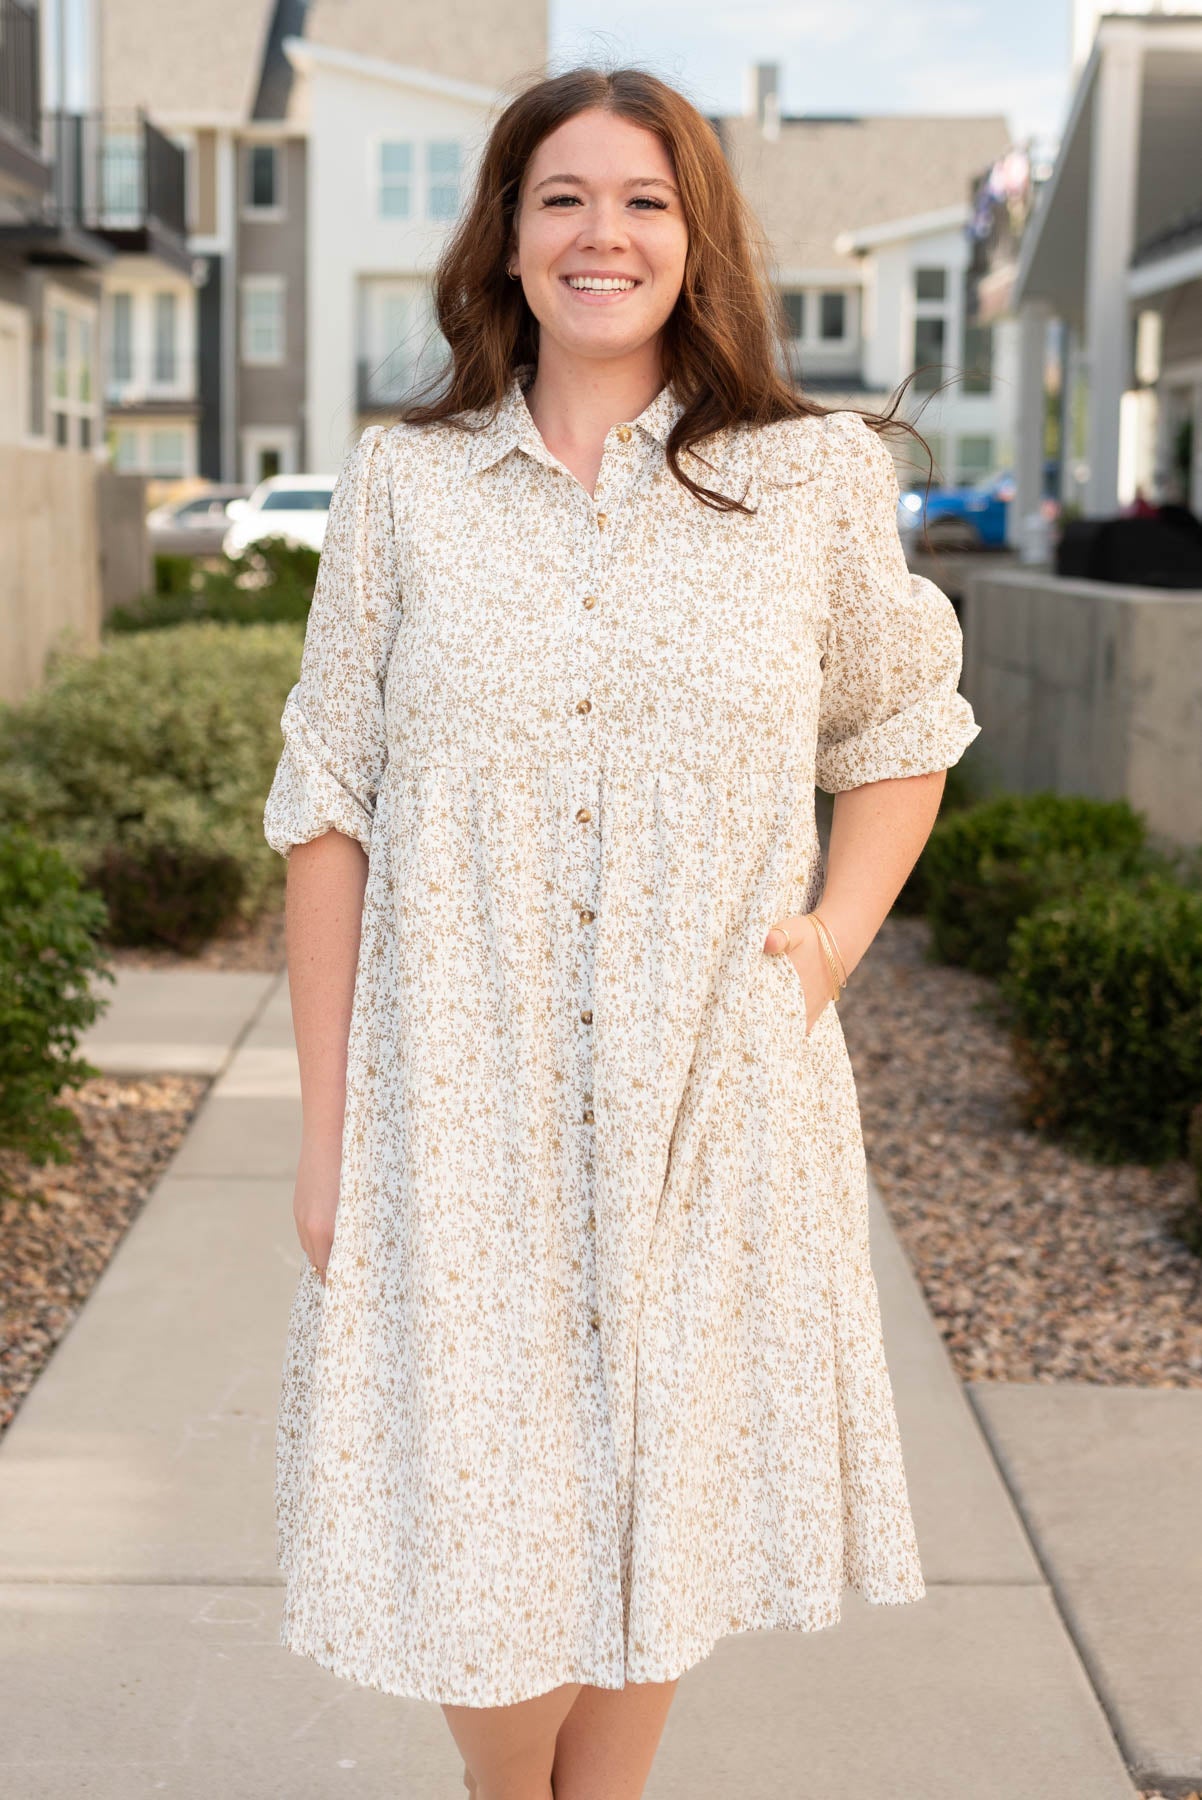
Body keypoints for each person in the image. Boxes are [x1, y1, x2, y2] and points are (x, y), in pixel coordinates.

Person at [263, 64, 980, 1800]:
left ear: (695, 237)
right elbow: (329, 803)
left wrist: (822, 948)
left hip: (711, 1098)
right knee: (481, 1560)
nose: (604, 233)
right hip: (460, 1096)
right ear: (506, 240)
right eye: (563, 197)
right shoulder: (405, 484)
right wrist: (326, 1125)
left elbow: (901, 731)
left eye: (644, 200)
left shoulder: (804, 480)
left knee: (662, 1520)